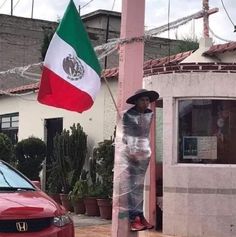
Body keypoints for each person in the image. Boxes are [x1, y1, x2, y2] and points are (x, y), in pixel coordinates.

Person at [122, 89, 159, 231]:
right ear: (136, 101)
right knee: (133, 186)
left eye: (147, 100)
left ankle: (140, 215)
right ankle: (133, 218)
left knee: (139, 186)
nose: (146, 103)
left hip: (144, 154)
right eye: (143, 100)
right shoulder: (129, 115)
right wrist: (131, 152)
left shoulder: (149, 114)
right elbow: (126, 135)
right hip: (132, 155)